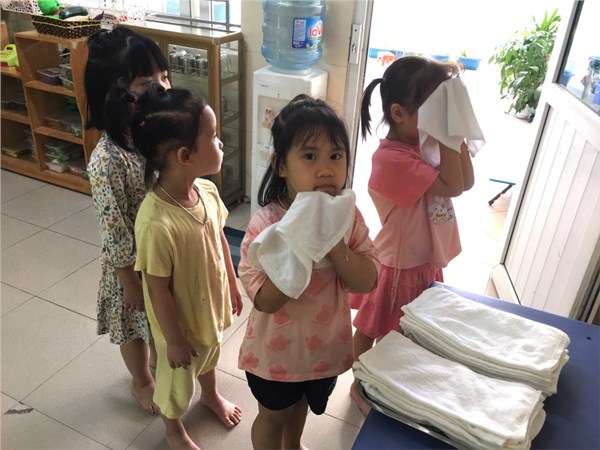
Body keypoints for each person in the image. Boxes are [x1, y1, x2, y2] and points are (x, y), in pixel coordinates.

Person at [237, 94, 379, 449]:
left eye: (336, 155)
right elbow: (264, 300)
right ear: (281, 165)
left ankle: (294, 444)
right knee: (272, 417)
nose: (326, 169)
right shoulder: (266, 225)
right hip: (275, 355)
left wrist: (335, 246)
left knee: (300, 406)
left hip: (322, 351)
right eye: (310, 156)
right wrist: (303, 242)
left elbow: (368, 280)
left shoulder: (347, 218)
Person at [349, 56, 475, 415]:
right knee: (372, 328)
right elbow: (452, 186)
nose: (439, 120)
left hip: (422, 261)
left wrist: (455, 133)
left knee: (407, 329)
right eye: (433, 110)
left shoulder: (420, 146)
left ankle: (391, 378)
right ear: (399, 114)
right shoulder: (392, 160)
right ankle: (360, 383)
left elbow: (466, 182)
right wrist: (448, 135)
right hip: (397, 265)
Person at [132, 85, 243, 450]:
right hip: (179, 324)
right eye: (212, 136)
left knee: (211, 352)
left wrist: (232, 281)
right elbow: (156, 288)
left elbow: (219, 239)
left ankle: (210, 395)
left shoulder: (206, 192)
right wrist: (175, 339)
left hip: (208, 305)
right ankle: (173, 430)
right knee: (176, 383)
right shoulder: (156, 223)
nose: (220, 142)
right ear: (184, 155)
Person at [84, 27, 172, 414]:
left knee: (159, 319)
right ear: (115, 94)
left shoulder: (151, 134)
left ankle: (158, 361)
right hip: (130, 268)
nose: (162, 88)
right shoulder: (106, 161)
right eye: (147, 82)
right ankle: (141, 380)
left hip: (160, 254)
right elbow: (114, 230)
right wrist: (130, 282)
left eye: (164, 76)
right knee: (134, 325)